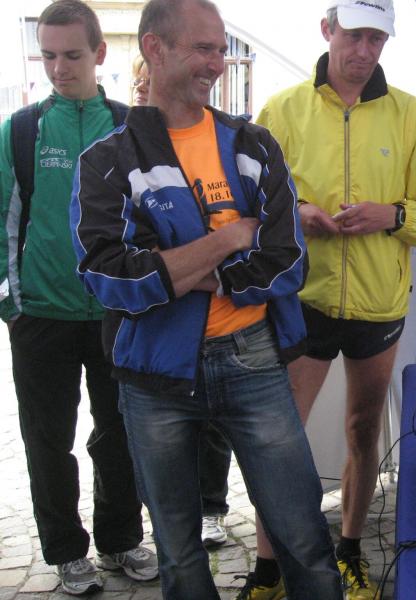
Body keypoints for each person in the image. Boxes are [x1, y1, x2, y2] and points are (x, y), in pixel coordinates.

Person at [69, 0, 342, 598]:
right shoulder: (107, 162)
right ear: (155, 48)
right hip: (154, 375)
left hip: (254, 359)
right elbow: (108, 276)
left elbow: (287, 261)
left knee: (305, 539)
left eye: (221, 49)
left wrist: (176, 267)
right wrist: (228, 238)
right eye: (203, 48)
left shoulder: (254, 144)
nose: (217, 63)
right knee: (180, 554)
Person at [232, 1, 416, 597]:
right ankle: (270, 569)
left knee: (363, 429)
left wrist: (392, 215)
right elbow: (251, 199)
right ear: (328, 30)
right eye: (355, 36)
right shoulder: (284, 109)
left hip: (378, 305)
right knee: (280, 438)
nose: (365, 51)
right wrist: (298, 214)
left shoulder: (410, 113)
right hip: (304, 300)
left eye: (377, 39)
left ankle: (350, 550)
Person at [0, 1, 158, 595]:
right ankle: (66, 551)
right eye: (47, 56)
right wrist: (11, 303)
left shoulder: (130, 126)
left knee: (119, 433)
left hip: (117, 310)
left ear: (99, 53)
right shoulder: (20, 131)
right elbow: (1, 220)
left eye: (71, 55)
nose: (59, 68)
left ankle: (120, 540)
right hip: (41, 314)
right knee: (48, 441)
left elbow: (154, 215)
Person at [129, 51, 232, 549]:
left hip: (223, 327)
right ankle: (159, 530)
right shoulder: (121, 152)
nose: (146, 93)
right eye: (141, 85)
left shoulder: (222, 143)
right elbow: (136, 260)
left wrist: (182, 266)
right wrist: (214, 257)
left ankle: (212, 508)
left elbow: (249, 242)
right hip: (154, 333)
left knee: (213, 428)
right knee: (160, 440)